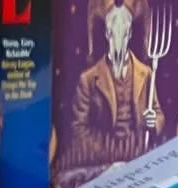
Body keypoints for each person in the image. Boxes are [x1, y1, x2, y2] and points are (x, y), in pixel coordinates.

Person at [67, 0, 164, 177]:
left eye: (124, 34)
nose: (119, 41)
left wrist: (154, 122)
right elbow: (78, 129)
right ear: (106, 32)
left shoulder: (146, 73)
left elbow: (158, 114)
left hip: (139, 155)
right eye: (114, 34)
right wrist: (108, 160)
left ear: (130, 33)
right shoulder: (88, 79)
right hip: (103, 162)